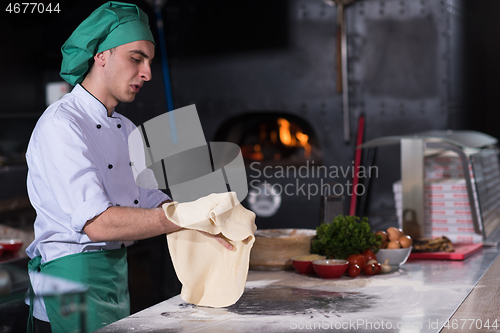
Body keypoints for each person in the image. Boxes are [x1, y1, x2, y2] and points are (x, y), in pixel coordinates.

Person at [25, 2, 232, 332]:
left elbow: (149, 198)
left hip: (115, 272)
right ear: (101, 55)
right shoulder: (61, 125)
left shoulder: (127, 128)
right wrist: (184, 216)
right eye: (136, 58)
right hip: (70, 278)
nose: (147, 73)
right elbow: (98, 224)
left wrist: (202, 217)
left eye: (149, 61)